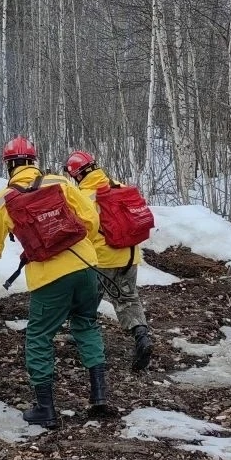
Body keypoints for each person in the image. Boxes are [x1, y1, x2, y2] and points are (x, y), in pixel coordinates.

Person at [0, 136, 107, 429]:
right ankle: (99, 395)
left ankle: (45, 409)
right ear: (33, 161)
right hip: (87, 267)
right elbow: (91, 220)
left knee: (39, 337)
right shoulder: (59, 183)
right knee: (86, 323)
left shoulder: (3, 200)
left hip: (50, 277)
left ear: (9, 165)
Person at [65, 150, 153, 371]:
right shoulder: (120, 186)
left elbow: (81, 230)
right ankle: (141, 335)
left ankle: (84, 341)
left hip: (102, 259)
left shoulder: (84, 197)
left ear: (76, 175)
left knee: (85, 302)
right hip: (131, 255)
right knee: (129, 298)